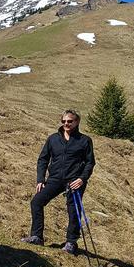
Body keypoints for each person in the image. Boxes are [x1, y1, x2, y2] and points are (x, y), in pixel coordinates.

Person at [21, 109, 95, 255]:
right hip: (55, 178)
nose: (66, 124)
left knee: (73, 211)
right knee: (36, 202)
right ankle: (37, 236)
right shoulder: (53, 139)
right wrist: (40, 179)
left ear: (77, 122)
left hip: (75, 181)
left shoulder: (85, 140)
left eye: (69, 121)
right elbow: (43, 159)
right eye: (64, 121)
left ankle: (71, 243)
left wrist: (82, 179)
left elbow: (90, 163)